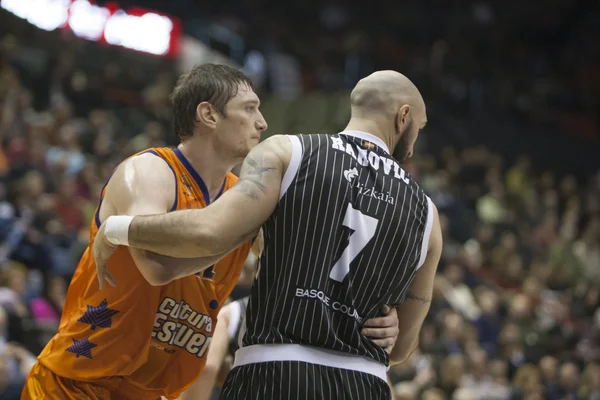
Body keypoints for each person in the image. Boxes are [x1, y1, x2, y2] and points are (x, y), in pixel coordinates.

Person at [21, 64, 399, 400]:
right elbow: (157, 267)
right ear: (208, 114)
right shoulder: (150, 171)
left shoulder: (243, 198)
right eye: (250, 109)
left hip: (154, 392)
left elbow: (302, 273)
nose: (263, 123)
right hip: (76, 384)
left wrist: (373, 316)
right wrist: (242, 229)